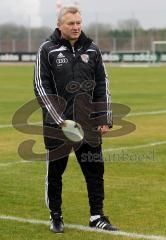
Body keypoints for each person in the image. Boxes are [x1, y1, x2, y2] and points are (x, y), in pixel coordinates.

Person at [34, 6, 118, 233]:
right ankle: (56, 217)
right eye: (71, 23)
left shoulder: (92, 49)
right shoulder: (47, 50)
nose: (76, 27)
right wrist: (60, 121)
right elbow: (42, 88)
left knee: (95, 171)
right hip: (57, 126)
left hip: (88, 125)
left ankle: (97, 216)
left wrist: (104, 117)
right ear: (60, 25)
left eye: (79, 22)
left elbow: (102, 85)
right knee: (55, 174)